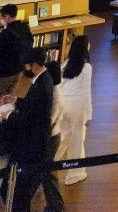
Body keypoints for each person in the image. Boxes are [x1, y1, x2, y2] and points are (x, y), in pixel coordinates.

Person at [0, 47, 55, 212]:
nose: (25, 69)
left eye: (27, 66)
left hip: (31, 147)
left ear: (35, 65)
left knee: (19, 194)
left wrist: (7, 116)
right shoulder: (43, 80)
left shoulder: (41, 87)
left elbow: (29, 119)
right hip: (30, 145)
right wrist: (16, 100)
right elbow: (32, 106)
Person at [59, 35, 92, 185]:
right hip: (77, 107)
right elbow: (86, 92)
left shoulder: (66, 64)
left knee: (62, 138)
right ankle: (75, 173)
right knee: (77, 141)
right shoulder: (87, 68)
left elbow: (59, 84)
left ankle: (47, 164)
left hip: (63, 104)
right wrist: (89, 114)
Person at [41, 55, 65, 212]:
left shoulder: (55, 96)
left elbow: (49, 122)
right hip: (52, 136)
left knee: (47, 173)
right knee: (48, 172)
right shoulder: (55, 91)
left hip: (50, 138)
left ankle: (56, 205)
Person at [0, 4, 33, 95]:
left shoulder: (6, 33)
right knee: (10, 95)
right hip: (19, 70)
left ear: (6, 17)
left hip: (5, 73)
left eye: (2, 17)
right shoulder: (25, 27)